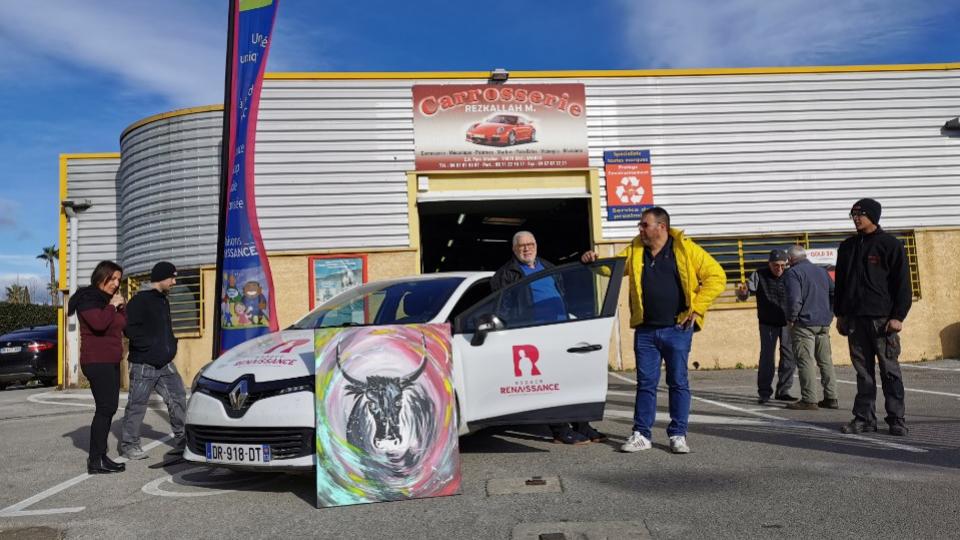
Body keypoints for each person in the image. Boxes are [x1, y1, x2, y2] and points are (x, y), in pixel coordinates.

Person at [582, 207, 726, 454]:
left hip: (677, 328)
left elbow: (716, 276)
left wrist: (696, 308)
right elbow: (616, 268)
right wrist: (595, 263)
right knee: (645, 384)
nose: (640, 229)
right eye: (640, 225)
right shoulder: (637, 249)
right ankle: (641, 434)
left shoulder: (684, 248)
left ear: (662, 227)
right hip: (646, 330)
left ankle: (678, 434)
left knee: (678, 382)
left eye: (644, 225)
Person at [491, 231, 605, 445]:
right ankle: (560, 429)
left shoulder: (549, 267)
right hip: (535, 336)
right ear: (514, 249)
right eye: (521, 245)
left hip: (561, 331)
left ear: (536, 245)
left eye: (530, 244)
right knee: (551, 384)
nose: (527, 248)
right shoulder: (506, 274)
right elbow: (503, 309)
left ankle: (582, 425)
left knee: (572, 380)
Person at [834, 198, 912, 436]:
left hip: (883, 321)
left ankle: (896, 419)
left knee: (889, 370)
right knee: (863, 371)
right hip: (855, 319)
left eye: (861, 214)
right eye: (853, 214)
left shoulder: (890, 245)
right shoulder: (847, 247)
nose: (856, 218)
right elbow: (841, 284)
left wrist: (898, 315)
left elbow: (902, 284)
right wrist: (840, 314)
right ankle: (864, 418)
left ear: (874, 216)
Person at [119, 261, 187, 459]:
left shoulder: (162, 299)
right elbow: (128, 328)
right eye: (172, 278)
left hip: (165, 363)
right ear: (162, 278)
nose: (174, 282)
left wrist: (171, 345)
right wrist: (147, 346)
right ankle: (130, 445)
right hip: (144, 363)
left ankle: (183, 441)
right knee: (137, 404)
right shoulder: (140, 300)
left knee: (178, 396)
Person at [67, 260, 127, 474]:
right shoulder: (88, 299)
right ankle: (95, 461)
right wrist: (112, 306)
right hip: (96, 361)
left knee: (109, 408)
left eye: (118, 280)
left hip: (110, 360)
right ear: (100, 277)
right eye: (112, 279)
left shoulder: (109, 301)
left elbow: (122, 325)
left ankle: (101, 456)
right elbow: (99, 323)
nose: (115, 283)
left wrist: (120, 307)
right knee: (104, 409)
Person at [736, 249, 797, 404]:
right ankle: (764, 392)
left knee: (789, 357)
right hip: (767, 322)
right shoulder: (758, 275)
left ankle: (783, 391)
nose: (780, 269)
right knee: (767, 358)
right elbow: (744, 295)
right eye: (776, 265)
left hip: (788, 321)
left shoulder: (791, 275)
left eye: (783, 265)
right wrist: (742, 293)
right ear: (769, 264)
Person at [783, 246, 838, 411]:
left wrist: (791, 318)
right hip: (823, 322)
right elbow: (834, 292)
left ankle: (809, 399)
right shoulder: (821, 271)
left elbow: (795, 299)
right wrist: (830, 313)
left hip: (804, 323)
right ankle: (831, 397)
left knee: (805, 360)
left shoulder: (793, 273)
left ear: (791, 260)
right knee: (825, 361)